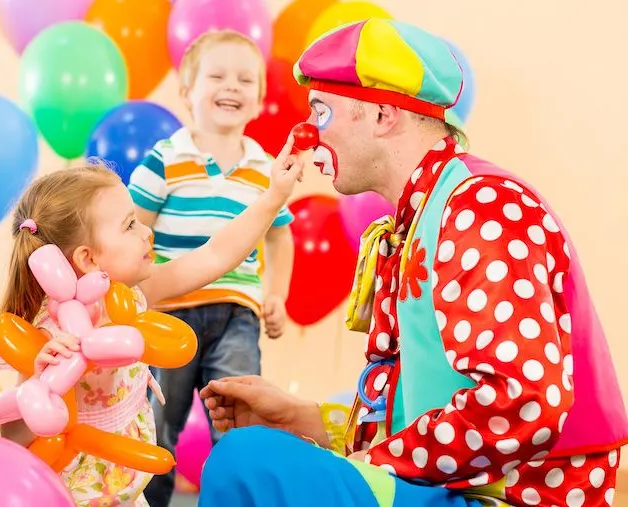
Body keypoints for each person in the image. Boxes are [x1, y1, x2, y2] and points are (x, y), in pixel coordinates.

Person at [197, 18, 628, 507]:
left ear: (383, 115)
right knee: (261, 451)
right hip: (463, 488)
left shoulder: (480, 206)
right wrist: (306, 419)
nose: (307, 135)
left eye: (321, 111)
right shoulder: (426, 213)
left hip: (509, 498)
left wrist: (364, 466)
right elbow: (425, 399)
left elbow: (522, 402)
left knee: (247, 463)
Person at [0, 142, 305, 507]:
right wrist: (43, 382)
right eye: (129, 225)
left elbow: (216, 254)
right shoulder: (53, 332)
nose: (146, 232)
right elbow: (14, 436)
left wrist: (273, 197)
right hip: (69, 490)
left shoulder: (133, 297)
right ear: (88, 258)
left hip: (124, 482)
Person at [128, 30, 295, 506]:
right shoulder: (166, 158)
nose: (233, 86)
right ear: (187, 93)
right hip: (168, 315)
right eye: (217, 76)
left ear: (259, 99)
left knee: (241, 420)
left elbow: (280, 234)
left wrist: (275, 294)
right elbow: (134, 228)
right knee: (158, 427)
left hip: (236, 314)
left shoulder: (265, 169)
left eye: (246, 80)